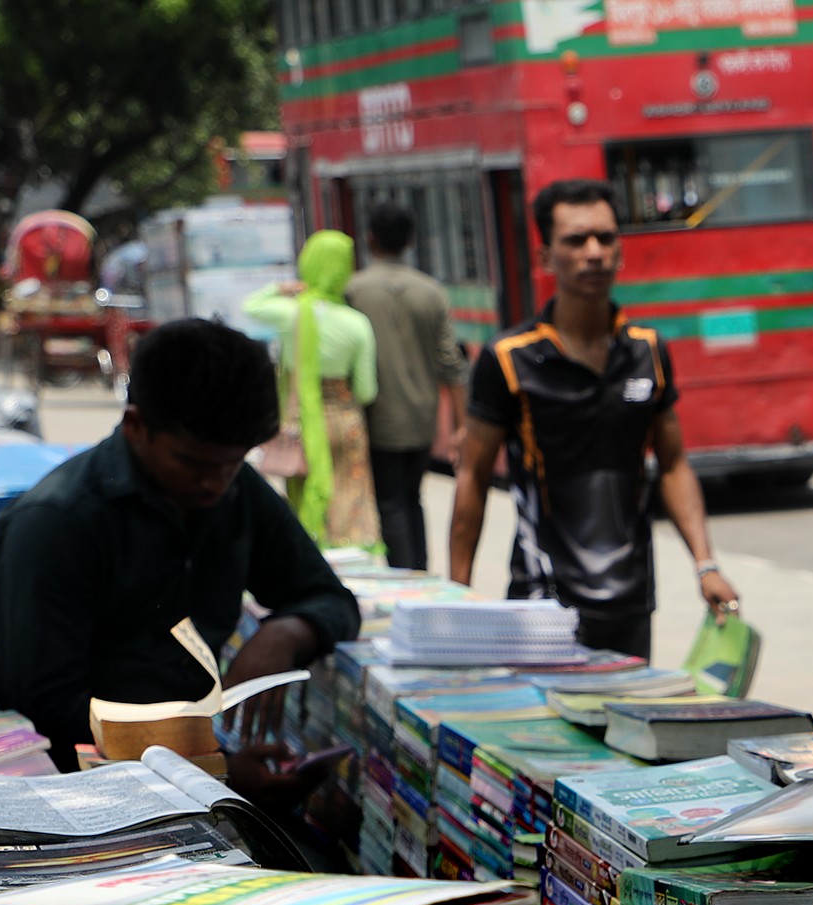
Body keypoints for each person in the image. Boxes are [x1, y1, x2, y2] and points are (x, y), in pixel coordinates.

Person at [0, 318, 361, 795]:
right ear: (136, 426)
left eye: (234, 463)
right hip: (75, 790)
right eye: (195, 464)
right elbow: (43, 708)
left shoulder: (234, 490)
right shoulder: (56, 523)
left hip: (193, 771)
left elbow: (331, 598)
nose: (216, 483)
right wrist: (207, 769)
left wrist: (288, 631)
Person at [450, 178, 739, 657]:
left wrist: (705, 565)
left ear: (621, 252)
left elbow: (672, 463)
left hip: (631, 601)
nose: (594, 252)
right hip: (543, 605)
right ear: (545, 258)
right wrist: (457, 595)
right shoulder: (509, 359)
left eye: (606, 239)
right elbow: (473, 476)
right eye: (575, 240)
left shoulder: (647, 351)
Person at [346, 199, 466, 570]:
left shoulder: (354, 291)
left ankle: (406, 577)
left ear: (370, 240)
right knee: (412, 498)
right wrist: (461, 426)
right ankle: (420, 572)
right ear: (411, 241)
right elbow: (451, 363)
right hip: (422, 415)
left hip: (378, 416)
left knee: (390, 501)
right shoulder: (430, 291)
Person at [243, 229, 380, 552]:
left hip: (301, 421)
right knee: (349, 496)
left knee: (304, 493)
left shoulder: (291, 313)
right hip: (346, 420)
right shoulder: (357, 323)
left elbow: (251, 305)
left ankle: (309, 553)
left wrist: (284, 288)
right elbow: (367, 390)